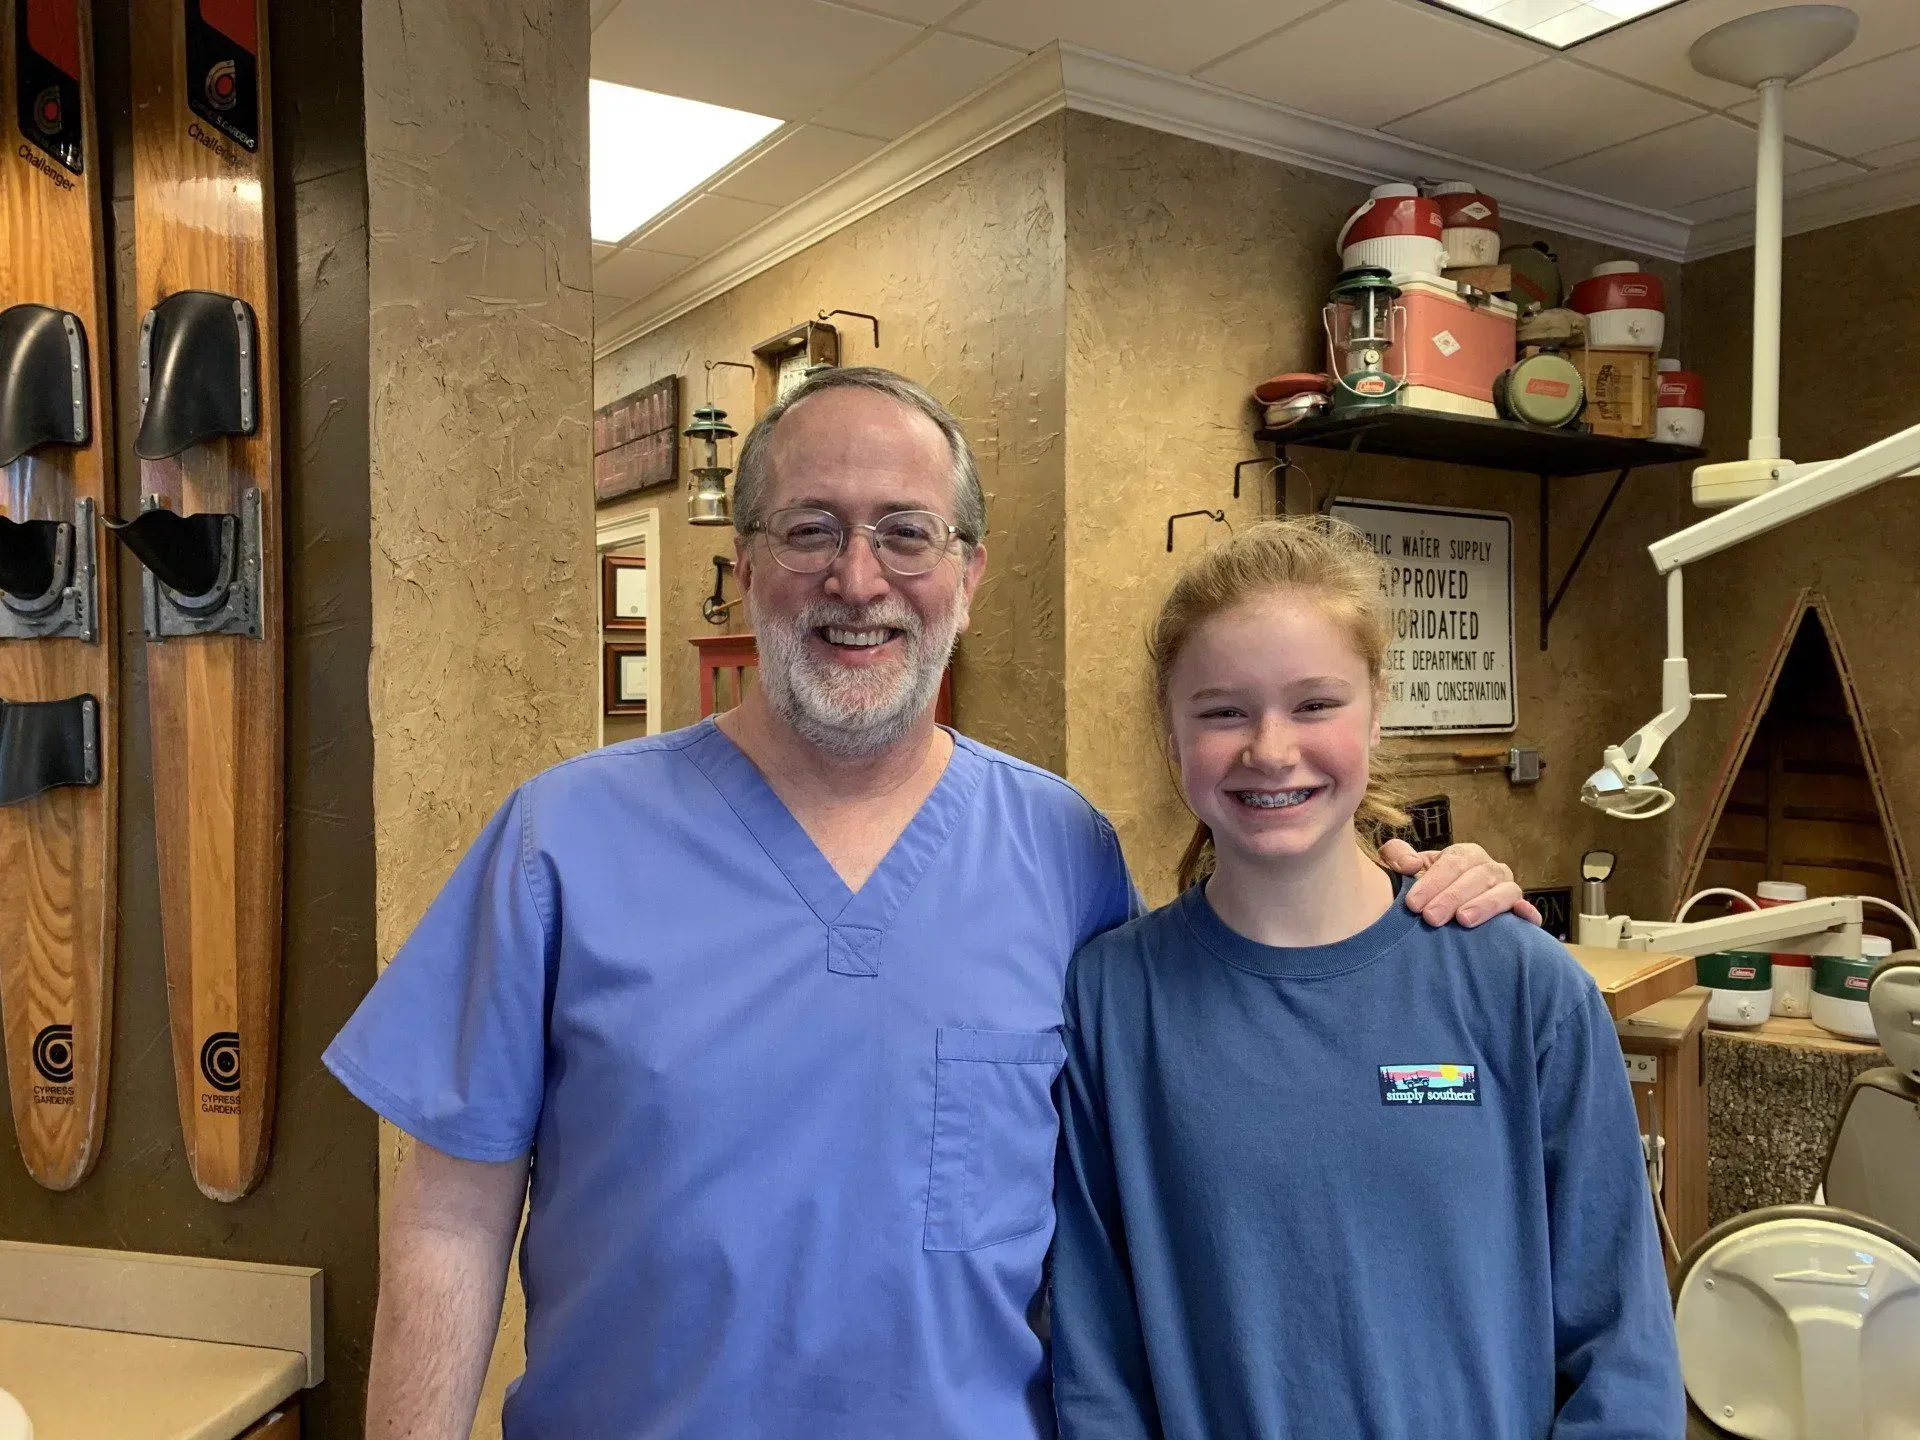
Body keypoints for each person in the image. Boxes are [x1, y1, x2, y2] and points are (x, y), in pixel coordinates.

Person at [324, 368, 1540, 1440]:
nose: (859, 579)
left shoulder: (1063, 851)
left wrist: (1410, 907)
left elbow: (1224, 1072)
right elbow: (447, 1221)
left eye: (907, 532)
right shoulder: (564, 841)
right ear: (744, 563)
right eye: (812, 528)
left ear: (969, 572)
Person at [1050, 517, 1684, 1440]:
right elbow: (1096, 1362)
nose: (1270, 749)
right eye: (1223, 710)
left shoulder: (1521, 989)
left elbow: (1621, 1349)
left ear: (1379, 709)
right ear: (1169, 726)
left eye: (1315, 704)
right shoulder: (1111, 1003)